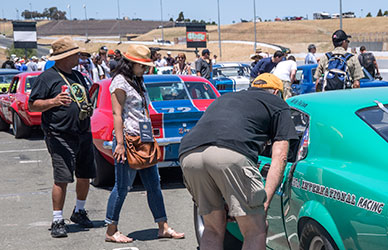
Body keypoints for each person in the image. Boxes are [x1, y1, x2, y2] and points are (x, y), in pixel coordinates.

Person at [179, 73, 298, 249]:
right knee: (255, 230)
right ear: (276, 92)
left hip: (189, 154)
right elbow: (280, 157)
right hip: (230, 153)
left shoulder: (227, 97)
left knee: (212, 228)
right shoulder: (276, 103)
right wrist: (263, 204)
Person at [105, 44, 184, 243]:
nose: (145, 68)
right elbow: (117, 114)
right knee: (122, 186)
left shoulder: (137, 81)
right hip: (128, 140)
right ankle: (111, 230)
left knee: (154, 184)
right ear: (130, 63)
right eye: (141, 65)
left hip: (144, 139)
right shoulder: (119, 82)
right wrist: (120, 143)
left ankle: (163, 227)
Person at [28, 36, 95, 238]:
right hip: (59, 133)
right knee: (62, 178)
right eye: (75, 54)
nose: (78, 57)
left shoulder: (78, 76)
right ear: (65, 57)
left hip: (83, 131)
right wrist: (54, 101)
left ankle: (79, 211)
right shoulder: (47, 77)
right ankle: (58, 220)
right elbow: (32, 105)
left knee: (85, 175)